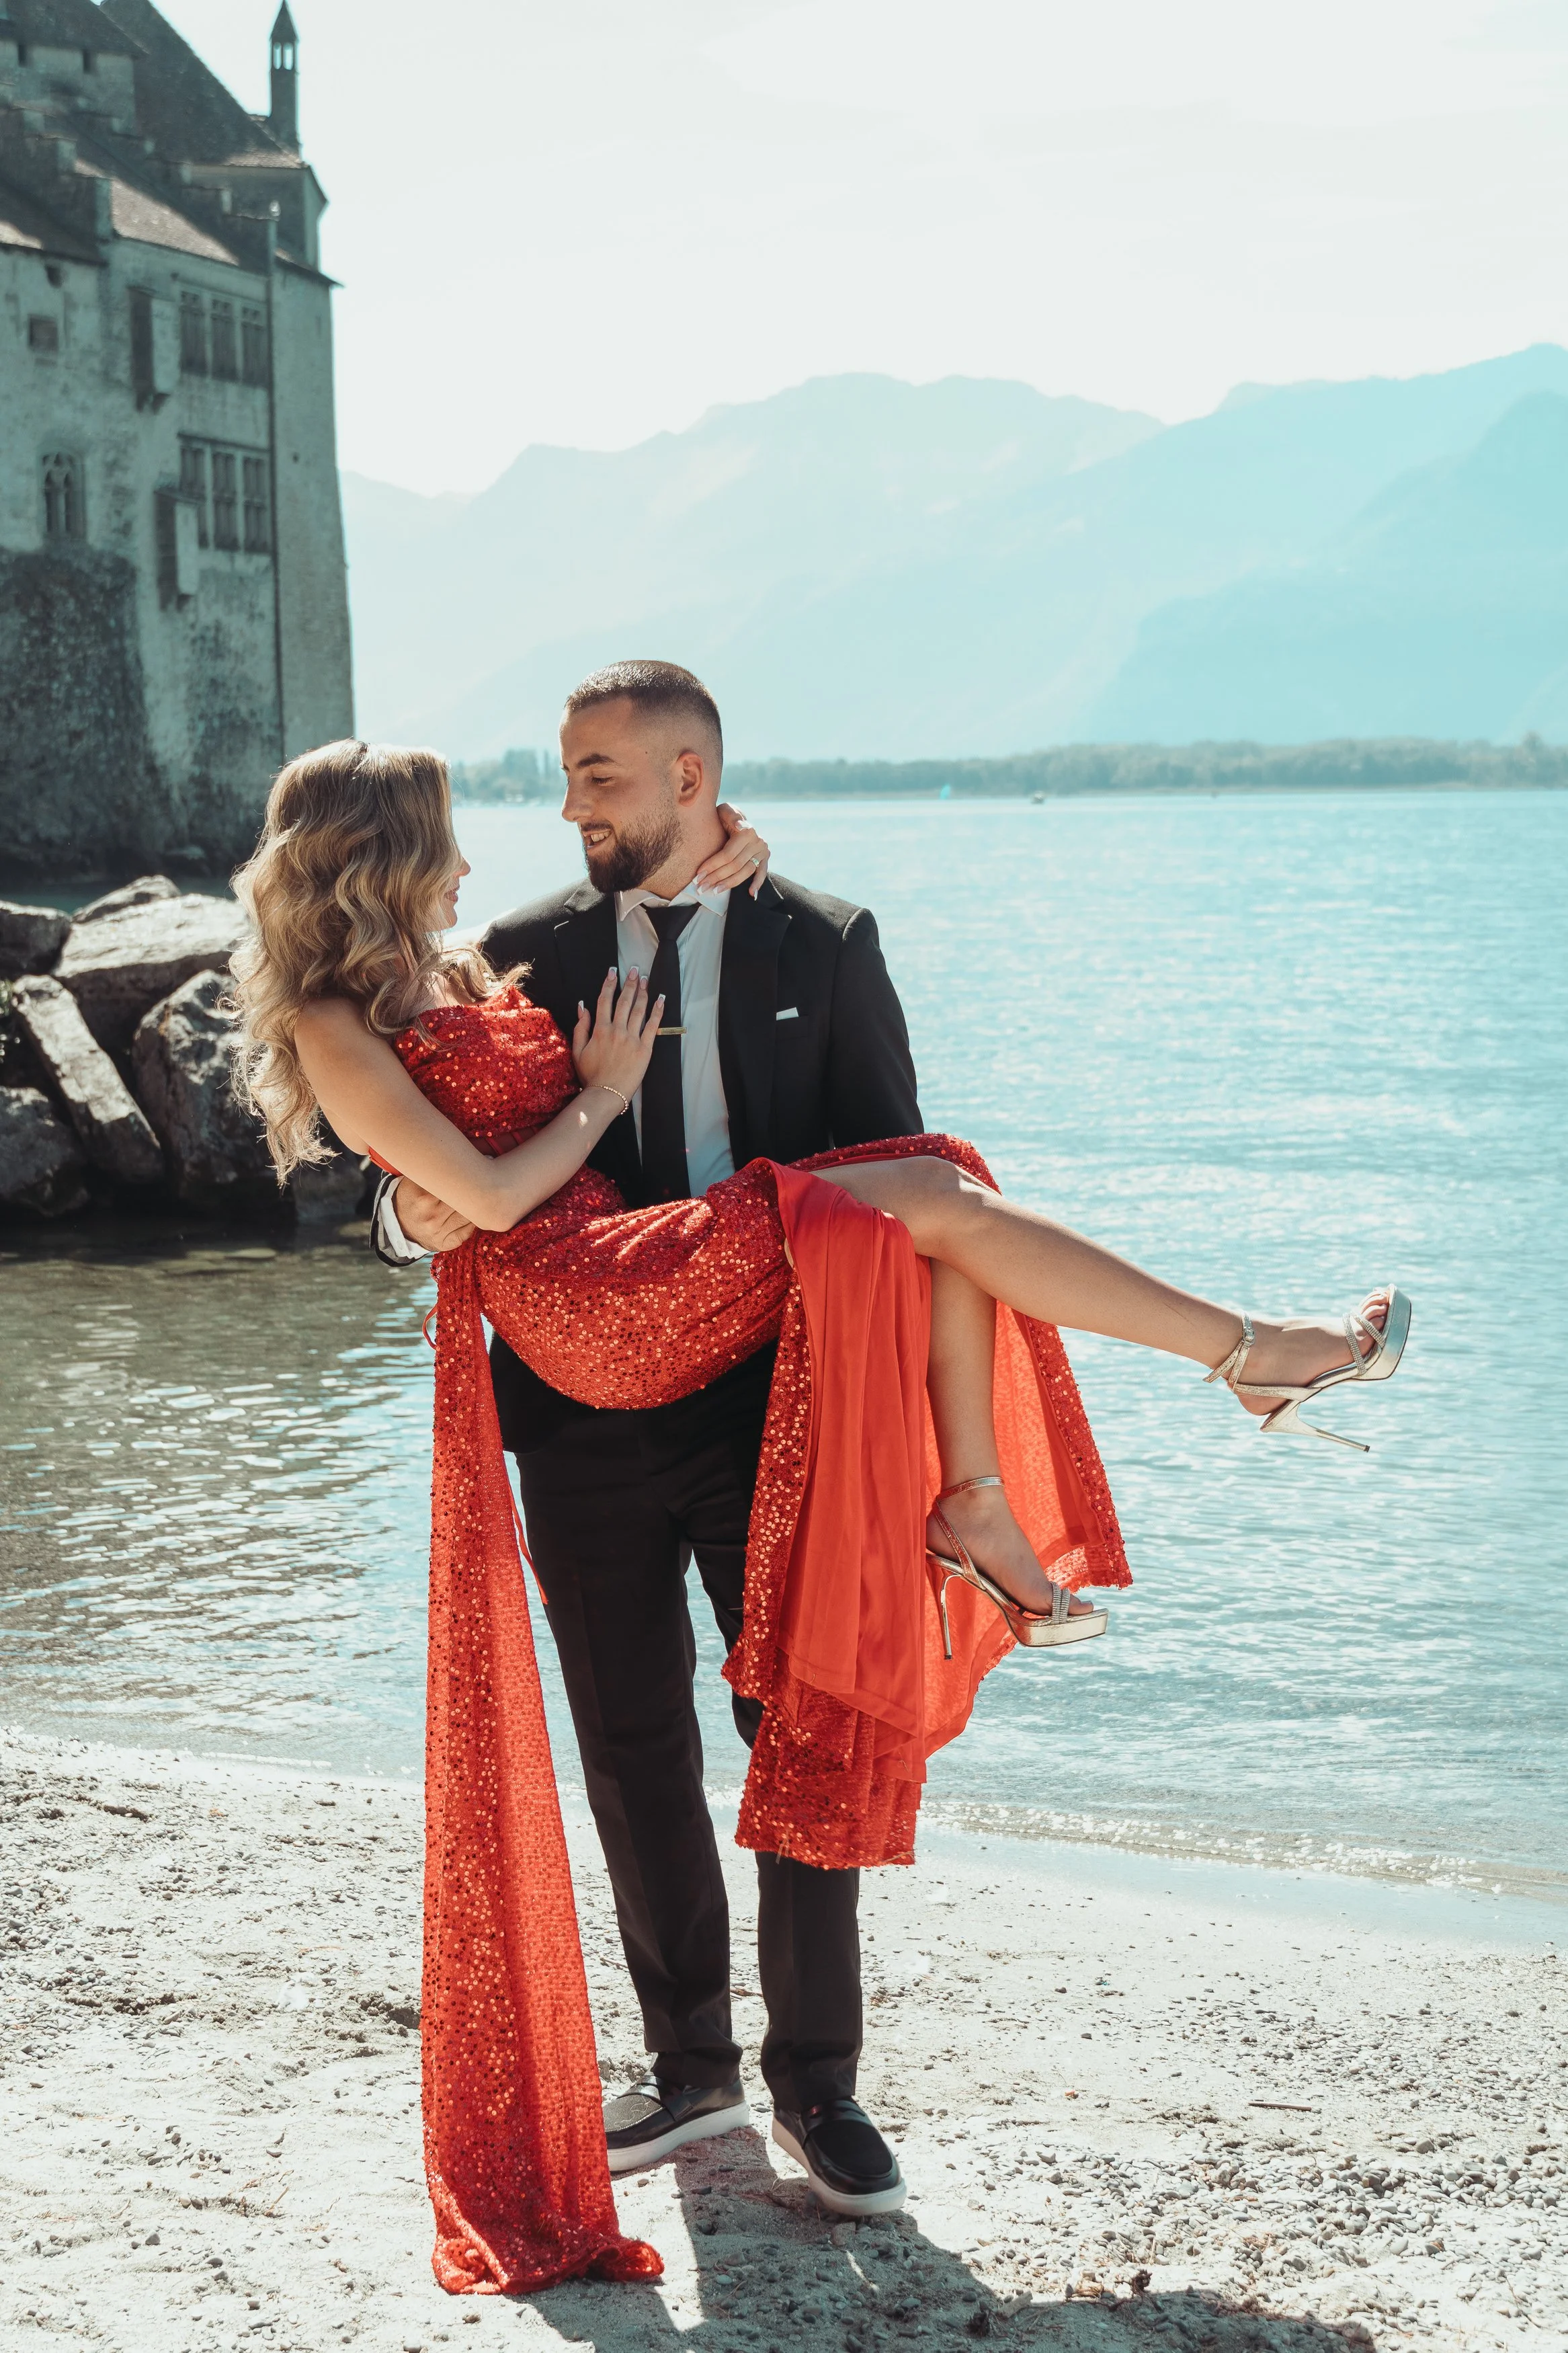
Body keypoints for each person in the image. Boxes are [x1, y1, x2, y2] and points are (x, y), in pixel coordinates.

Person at [230, 713, 1410, 2298]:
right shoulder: (515, 948)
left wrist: (707, 916)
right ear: (385, 855)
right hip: (582, 1372)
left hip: (747, 1379)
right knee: (632, 1739)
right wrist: (420, 1204)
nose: (551, 808)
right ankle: (692, 2062)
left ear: (689, 782)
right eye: (544, 783)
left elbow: (816, 1153)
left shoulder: (815, 940)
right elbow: (432, 1175)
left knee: (812, 1687)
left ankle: (817, 2082)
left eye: (595, 775)